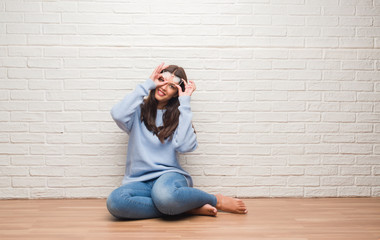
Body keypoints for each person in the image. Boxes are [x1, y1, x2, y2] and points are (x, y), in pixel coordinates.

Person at [106, 63, 247, 219]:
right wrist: (147, 84)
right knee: (116, 202)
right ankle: (185, 208)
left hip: (169, 178)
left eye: (172, 86)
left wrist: (185, 103)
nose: (164, 87)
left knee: (165, 197)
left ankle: (214, 200)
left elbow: (184, 146)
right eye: (162, 80)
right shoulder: (136, 110)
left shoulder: (180, 115)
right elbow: (117, 114)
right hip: (140, 181)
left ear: (175, 93)